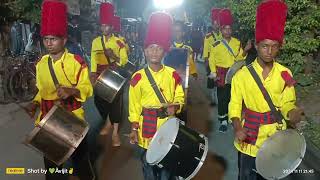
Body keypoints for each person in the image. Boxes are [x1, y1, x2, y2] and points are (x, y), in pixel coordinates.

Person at [228, 1, 304, 179]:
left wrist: (292, 113)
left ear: (279, 46)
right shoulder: (242, 75)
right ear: (256, 44)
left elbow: (287, 103)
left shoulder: (285, 74)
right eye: (264, 46)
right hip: (249, 140)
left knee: (272, 176)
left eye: (274, 46)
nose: (269, 51)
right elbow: (235, 105)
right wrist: (237, 127)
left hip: (275, 138)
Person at [25, 1, 93, 180]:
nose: (49, 43)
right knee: (51, 164)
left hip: (72, 118)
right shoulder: (41, 64)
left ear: (64, 39)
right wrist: (34, 103)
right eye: (46, 38)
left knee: (80, 160)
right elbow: (41, 90)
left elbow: (87, 88)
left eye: (53, 38)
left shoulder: (76, 62)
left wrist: (73, 90)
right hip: (48, 118)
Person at [128, 12, 185, 180]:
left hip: (167, 125)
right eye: (150, 47)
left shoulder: (173, 75)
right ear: (145, 51)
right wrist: (133, 129)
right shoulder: (137, 77)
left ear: (164, 51)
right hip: (146, 126)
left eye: (159, 48)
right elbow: (134, 106)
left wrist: (176, 106)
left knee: (167, 164)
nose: (154, 52)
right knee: (148, 164)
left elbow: (180, 97)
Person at [90, 2, 128, 147]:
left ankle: (115, 133)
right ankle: (108, 120)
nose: (104, 28)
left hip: (114, 74)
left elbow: (124, 61)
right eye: (102, 25)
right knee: (99, 101)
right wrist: (93, 73)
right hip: (100, 74)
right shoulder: (95, 42)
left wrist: (113, 56)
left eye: (107, 25)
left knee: (115, 104)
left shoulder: (119, 42)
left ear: (112, 27)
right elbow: (93, 58)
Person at [208, 9, 252, 133]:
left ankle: (234, 118)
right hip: (221, 73)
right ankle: (223, 120)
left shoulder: (237, 42)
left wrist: (246, 50)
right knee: (222, 97)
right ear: (221, 30)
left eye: (229, 29)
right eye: (225, 29)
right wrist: (214, 73)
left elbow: (239, 59)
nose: (228, 31)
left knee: (235, 96)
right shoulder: (215, 45)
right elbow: (212, 60)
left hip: (234, 71)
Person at [203, 8, 222, 106]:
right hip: (211, 61)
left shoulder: (223, 35)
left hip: (221, 61)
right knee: (212, 81)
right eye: (215, 24)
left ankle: (219, 98)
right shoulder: (208, 37)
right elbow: (206, 51)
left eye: (218, 24)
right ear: (212, 25)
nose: (217, 26)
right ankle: (212, 98)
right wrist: (206, 63)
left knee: (220, 81)